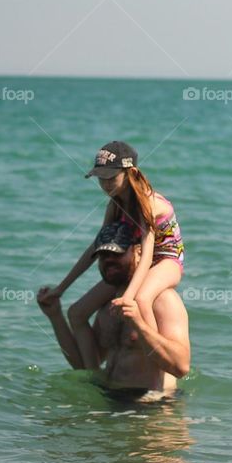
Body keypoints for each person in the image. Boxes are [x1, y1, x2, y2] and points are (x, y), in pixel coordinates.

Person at [42, 141, 186, 369]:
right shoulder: (115, 204)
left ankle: (156, 361)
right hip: (134, 260)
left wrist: (128, 296)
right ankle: (93, 376)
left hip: (166, 258)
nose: (106, 184)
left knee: (141, 299)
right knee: (77, 312)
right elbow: (94, 248)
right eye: (101, 178)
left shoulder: (147, 203)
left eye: (111, 177)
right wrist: (61, 288)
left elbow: (148, 254)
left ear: (131, 173)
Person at [37, 229, 190, 400]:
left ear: (139, 252)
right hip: (110, 398)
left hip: (152, 406)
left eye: (117, 254)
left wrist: (138, 324)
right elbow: (84, 366)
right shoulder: (109, 305)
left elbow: (181, 367)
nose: (109, 260)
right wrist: (55, 316)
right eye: (103, 255)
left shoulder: (162, 300)